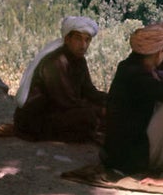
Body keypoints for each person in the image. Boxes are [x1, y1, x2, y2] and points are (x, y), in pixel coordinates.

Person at [102, 23, 163, 184]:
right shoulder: (138, 76)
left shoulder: (128, 67)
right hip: (130, 156)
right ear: (159, 52)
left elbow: (156, 82)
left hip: (117, 149)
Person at [13, 15, 107, 143]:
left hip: (59, 111)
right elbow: (66, 101)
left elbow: (89, 91)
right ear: (67, 39)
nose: (83, 45)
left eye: (87, 40)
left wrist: (111, 101)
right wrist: (99, 110)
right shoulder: (55, 61)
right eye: (78, 39)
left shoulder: (79, 60)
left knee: (110, 110)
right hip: (37, 118)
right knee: (88, 117)